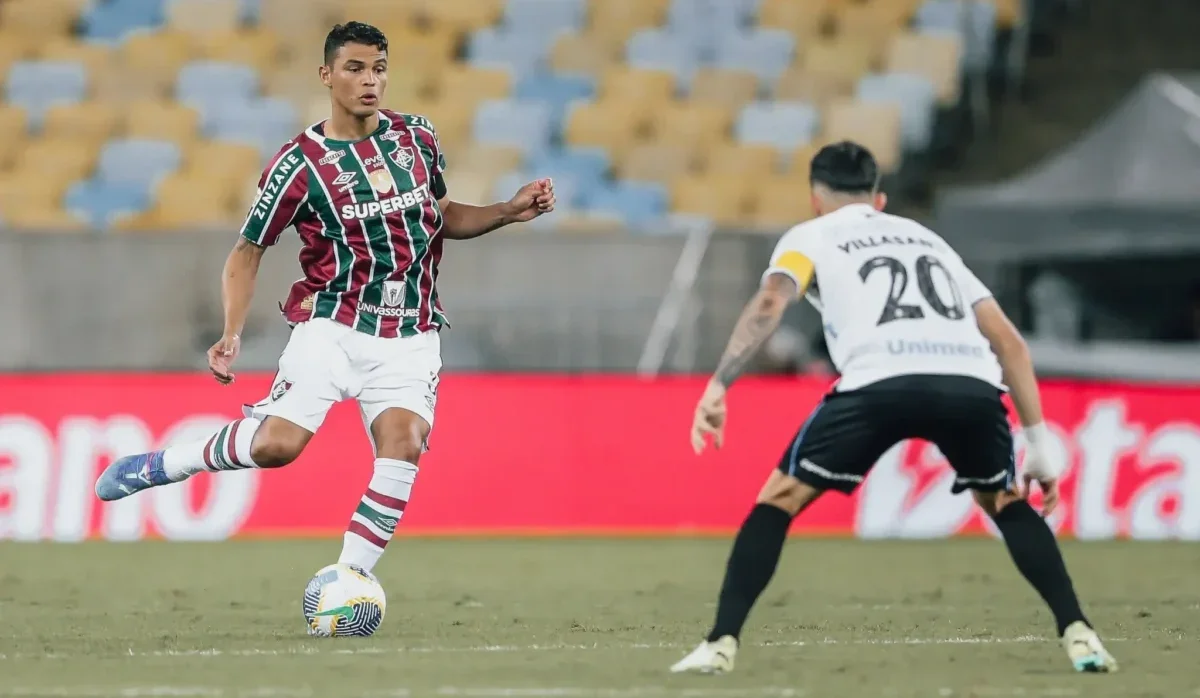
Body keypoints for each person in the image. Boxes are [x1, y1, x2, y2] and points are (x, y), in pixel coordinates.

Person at [94, 22, 556, 576]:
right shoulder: (299, 164)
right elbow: (247, 250)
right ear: (327, 75)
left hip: (411, 331)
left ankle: (349, 579)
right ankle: (166, 464)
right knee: (278, 447)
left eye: (379, 69)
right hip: (332, 324)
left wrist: (506, 210)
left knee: (404, 445)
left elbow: (441, 215)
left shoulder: (418, 138)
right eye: (355, 68)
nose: (370, 81)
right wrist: (231, 331)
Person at [670, 141, 1117, 675]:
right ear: (878, 199)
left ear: (816, 197)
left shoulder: (810, 235)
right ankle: (1080, 633)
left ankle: (720, 644)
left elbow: (771, 301)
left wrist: (720, 384)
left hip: (879, 380)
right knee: (1003, 501)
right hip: (969, 384)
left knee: (778, 501)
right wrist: (1041, 446)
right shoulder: (929, 239)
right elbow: (1010, 342)